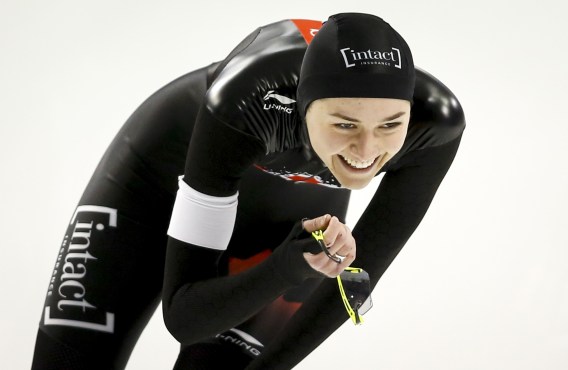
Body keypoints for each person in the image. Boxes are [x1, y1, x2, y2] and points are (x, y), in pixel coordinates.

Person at [31, 12, 465, 370]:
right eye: (344, 124)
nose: (367, 152)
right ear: (300, 107)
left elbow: (357, 275)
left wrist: (288, 276)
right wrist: (282, 270)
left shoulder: (437, 125)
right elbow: (184, 317)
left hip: (283, 219)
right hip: (154, 182)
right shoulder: (246, 104)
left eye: (390, 126)